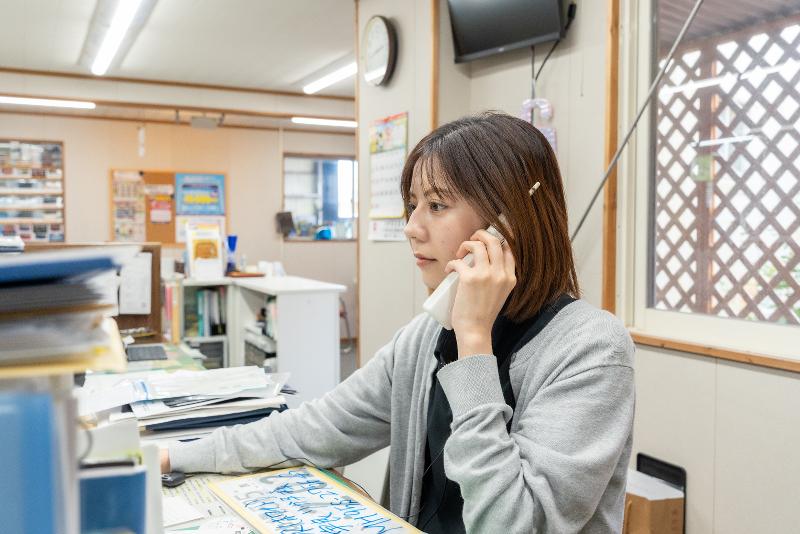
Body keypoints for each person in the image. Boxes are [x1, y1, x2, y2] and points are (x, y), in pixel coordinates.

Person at [162, 112, 635, 533]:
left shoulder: (591, 348)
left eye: (437, 205)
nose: (411, 226)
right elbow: (311, 430)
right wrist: (175, 456)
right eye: (413, 205)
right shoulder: (425, 338)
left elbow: (512, 524)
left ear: (507, 224)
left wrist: (474, 341)